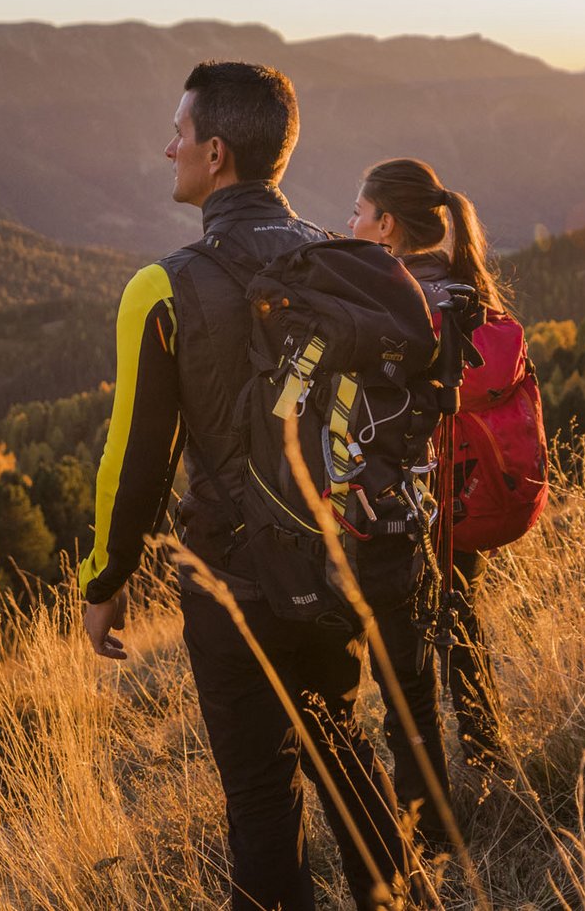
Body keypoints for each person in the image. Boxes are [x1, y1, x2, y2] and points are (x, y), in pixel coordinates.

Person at [78, 62, 411, 911]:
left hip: (232, 580)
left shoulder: (161, 289)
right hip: (334, 557)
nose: (169, 148)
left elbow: (136, 457)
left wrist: (105, 581)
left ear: (216, 153)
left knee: (261, 793)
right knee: (344, 748)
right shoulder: (341, 264)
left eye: (180, 135)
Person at [346, 157, 512, 822]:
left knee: (400, 663)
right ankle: (491, 757)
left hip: (395, 508)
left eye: (357, 212)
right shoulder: (466, 292)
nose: (349, 222)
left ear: (386, 225)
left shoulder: (386, 303)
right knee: (463, 625)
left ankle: (423, 814)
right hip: (462, 495)